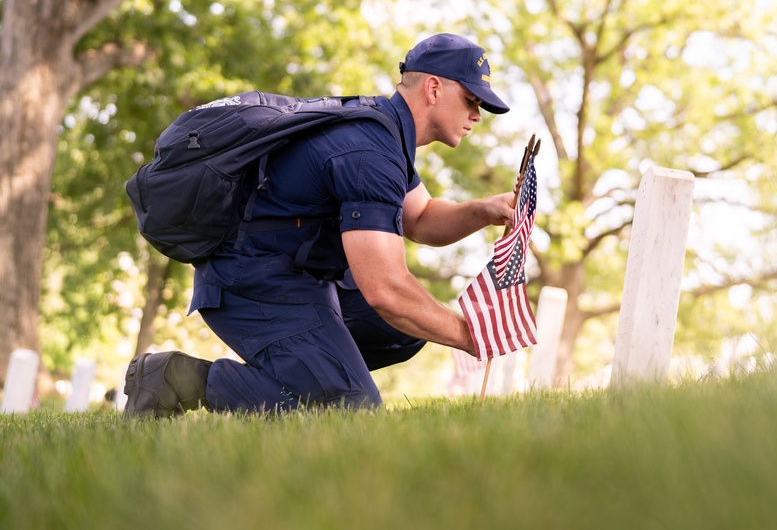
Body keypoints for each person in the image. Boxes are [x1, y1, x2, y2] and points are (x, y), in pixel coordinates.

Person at [123, 33, 514, 417]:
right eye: (470, 101)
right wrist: (471, 335)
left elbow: (423, 218)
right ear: (433, 89)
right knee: (348, 407)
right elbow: (387, 290)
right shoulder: (369, 152)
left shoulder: (381, 131)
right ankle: (175, 378)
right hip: (250, 281)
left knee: (404, 332)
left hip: (293, 276)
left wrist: (483, 211)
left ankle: (309, 372)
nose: (476, 116)